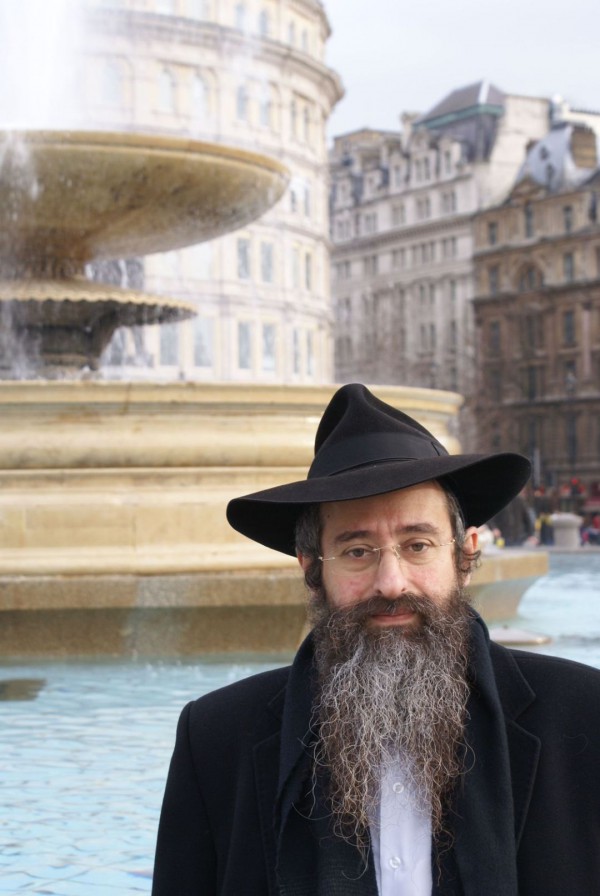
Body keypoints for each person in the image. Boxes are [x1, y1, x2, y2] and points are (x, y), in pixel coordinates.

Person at [152, 384, 600, 896]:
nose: (391, 582)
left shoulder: (585, 715)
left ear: (464, 555)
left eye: (417, 545)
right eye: (357, 551)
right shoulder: (214, 739)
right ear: (311, 569)